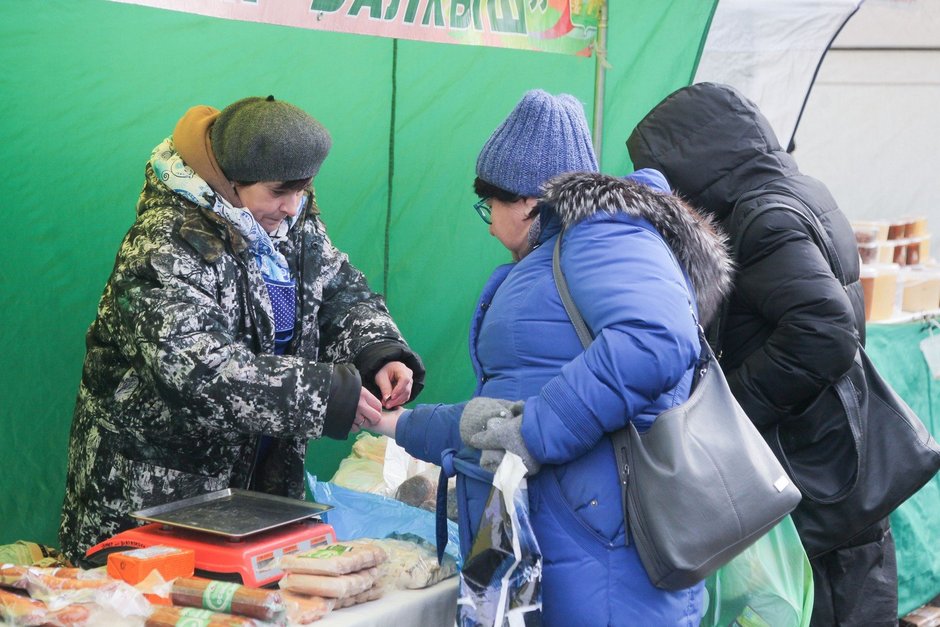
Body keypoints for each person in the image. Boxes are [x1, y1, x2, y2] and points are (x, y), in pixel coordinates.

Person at [371, 89, 733, 625]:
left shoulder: (605, 234)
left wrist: (539, 430)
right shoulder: (562, 253)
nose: (489, 222)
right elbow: (507, 404)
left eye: (488, 204)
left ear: (526, 201)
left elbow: (655, 339)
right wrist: (396, 424)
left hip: (602, 552)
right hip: (565, 539)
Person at [59, 95, 425, 562]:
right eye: (280, 192)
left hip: (256, 492)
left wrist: (378, 349)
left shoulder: (287, 215)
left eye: (304, 190)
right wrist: (324, 395)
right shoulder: (163, 243)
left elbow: (333, 287)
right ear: (231, 181)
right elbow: (197, 371)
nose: (294, 207)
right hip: (159, 504)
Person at [627, 81, 898, 626]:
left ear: (693, 165)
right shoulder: (798, 193)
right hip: (835, 457)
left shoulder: (761, 217)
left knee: (833, 604)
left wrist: (731, 415)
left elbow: (823, 332)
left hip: (815, 470)